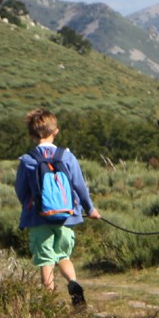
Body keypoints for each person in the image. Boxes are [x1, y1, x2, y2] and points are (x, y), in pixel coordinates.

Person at [14, 108, 101, 307]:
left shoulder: (27, 160)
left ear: (31, 134)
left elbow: (20, 189)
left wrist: (29, 207)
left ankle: (48, 302)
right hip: (66, 217)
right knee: (63, 255)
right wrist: (90, 209)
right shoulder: (67, 156)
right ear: (56, 131)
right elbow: (79, 185)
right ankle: (73, 282)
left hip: (39, 218)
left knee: (46, 260)